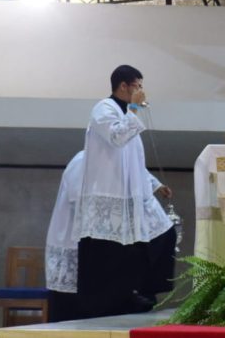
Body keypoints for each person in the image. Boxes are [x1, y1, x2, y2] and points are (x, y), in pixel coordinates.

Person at [74, 65, 176, 318]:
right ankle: (122, 299)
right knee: (115, 253)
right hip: (109, 193)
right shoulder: (103, 109)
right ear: (123, 86)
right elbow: (116, 138)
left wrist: (155, 185)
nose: (141, 91)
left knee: (165, 233)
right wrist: (135, 109)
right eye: (138, 86)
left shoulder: (129, 115)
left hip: (132, 194)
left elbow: (134, 162)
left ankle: (145, 290)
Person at [45, 151, 85, 322]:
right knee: (67, 319)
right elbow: (78, 200)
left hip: (90, 250)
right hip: (71, 246)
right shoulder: (82, 161)